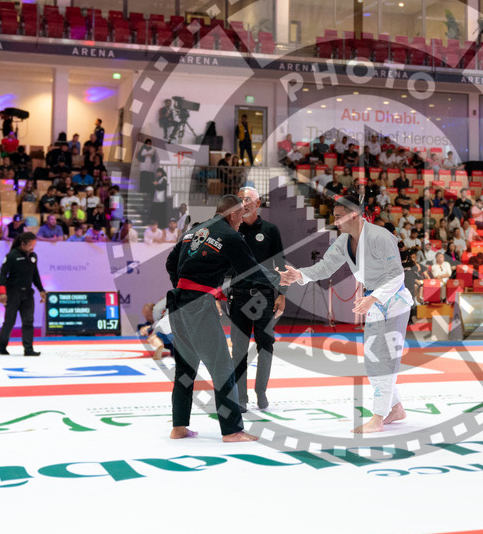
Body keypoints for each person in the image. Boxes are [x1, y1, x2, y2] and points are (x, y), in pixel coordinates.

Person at [280, 195, 413, 433]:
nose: (335, 220)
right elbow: (324, 267)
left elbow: (397, 275)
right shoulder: (343, 242)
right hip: (371, 301)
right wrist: (300, 275)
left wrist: (374, 297)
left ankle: (378, 417)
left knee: (385, 360)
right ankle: (396, 408)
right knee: (373, 360)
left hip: (393, 302)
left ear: (353, 214)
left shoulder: (381, 237)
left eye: (338, 216)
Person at [164, 194, 278, 443]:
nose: (241, 222)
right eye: (241, 217)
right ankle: (232, 430)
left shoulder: (193, 231)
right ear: (233, 215)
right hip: (198, 305)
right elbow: (249, 272)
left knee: (185, 366)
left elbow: (171, 262)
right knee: (222, 367)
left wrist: (185, 287)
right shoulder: (229, 235)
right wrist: (280, 280)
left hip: (178, 302)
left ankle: (179, 426)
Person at [228, 186, 286, 411]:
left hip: (264, 297)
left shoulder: (271, 230)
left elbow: (280, 263)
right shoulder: (232, 230)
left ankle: (261, 391)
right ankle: (240, 397)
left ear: (258, 203)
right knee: (239, 350)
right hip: (238, 297)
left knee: (266, 346)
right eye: (240, 199)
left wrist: (282, 294)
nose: (244, 202)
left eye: (248, 199)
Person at [0, 232, 46, 356]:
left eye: (34, 245)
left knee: (28, 321)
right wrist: (2, 293)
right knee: (9, 322)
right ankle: (2, 347)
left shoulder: (33, 256)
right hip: (13, 293)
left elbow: (35, 274)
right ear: (23, 244)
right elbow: (3, 275)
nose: (33, 248)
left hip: (27, 294)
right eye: (31, 245)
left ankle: (28, 349)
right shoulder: (11, 256)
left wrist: (41, 290)